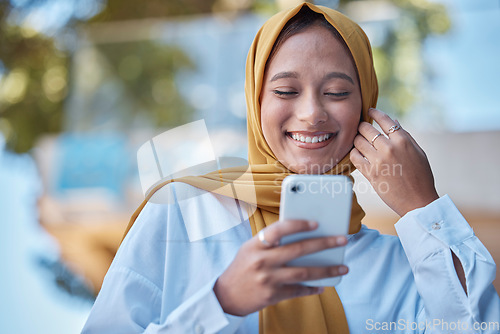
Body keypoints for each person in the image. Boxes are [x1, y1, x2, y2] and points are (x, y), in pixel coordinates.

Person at [82, 2, 500, 333]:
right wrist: (222, 302)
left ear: (366, 107)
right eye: (285, 90)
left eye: (337, 92)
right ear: (255, 102)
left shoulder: (403, 265)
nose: (311, 113)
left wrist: (423, 207)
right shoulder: (182, 211)